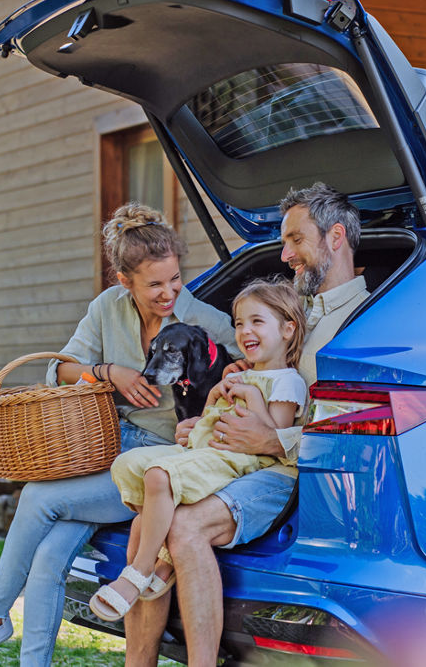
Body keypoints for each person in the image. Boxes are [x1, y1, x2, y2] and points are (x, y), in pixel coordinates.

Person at [0, 203, 237, 667]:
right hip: (102, 450)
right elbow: (61, 371)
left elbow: (251, 371)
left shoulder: (206, 322)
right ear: (125, 281)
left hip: (154, 466)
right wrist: (108, 371)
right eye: (155, 284)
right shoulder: (107, 308)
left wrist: (210, 415)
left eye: (175, 278)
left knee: (39, 498)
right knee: (48, 558)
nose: (170, 292)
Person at [123, 183, 370, 667]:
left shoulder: (364, 320)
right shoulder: (293, 311)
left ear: (335, 236)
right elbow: (257, 385)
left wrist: (274, 439)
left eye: (296, 240)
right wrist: (202, 426)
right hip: (239, 462)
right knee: (145, 521)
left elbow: (351, 425)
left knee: (186, 527)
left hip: (300, 474)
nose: (285, 254)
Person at [89, 279, 307, 621]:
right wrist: (216, 397)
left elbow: (271, 438)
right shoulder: (241, 373)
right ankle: (161, 557)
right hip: (208, 447)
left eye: (256, 321)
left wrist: (247, 394)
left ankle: (139, 574)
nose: (244, 330)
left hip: (240, 459)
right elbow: (209, 416)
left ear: (288, 329)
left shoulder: (287, 381)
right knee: (128, 464)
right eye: (238, 323)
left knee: (160, 476)